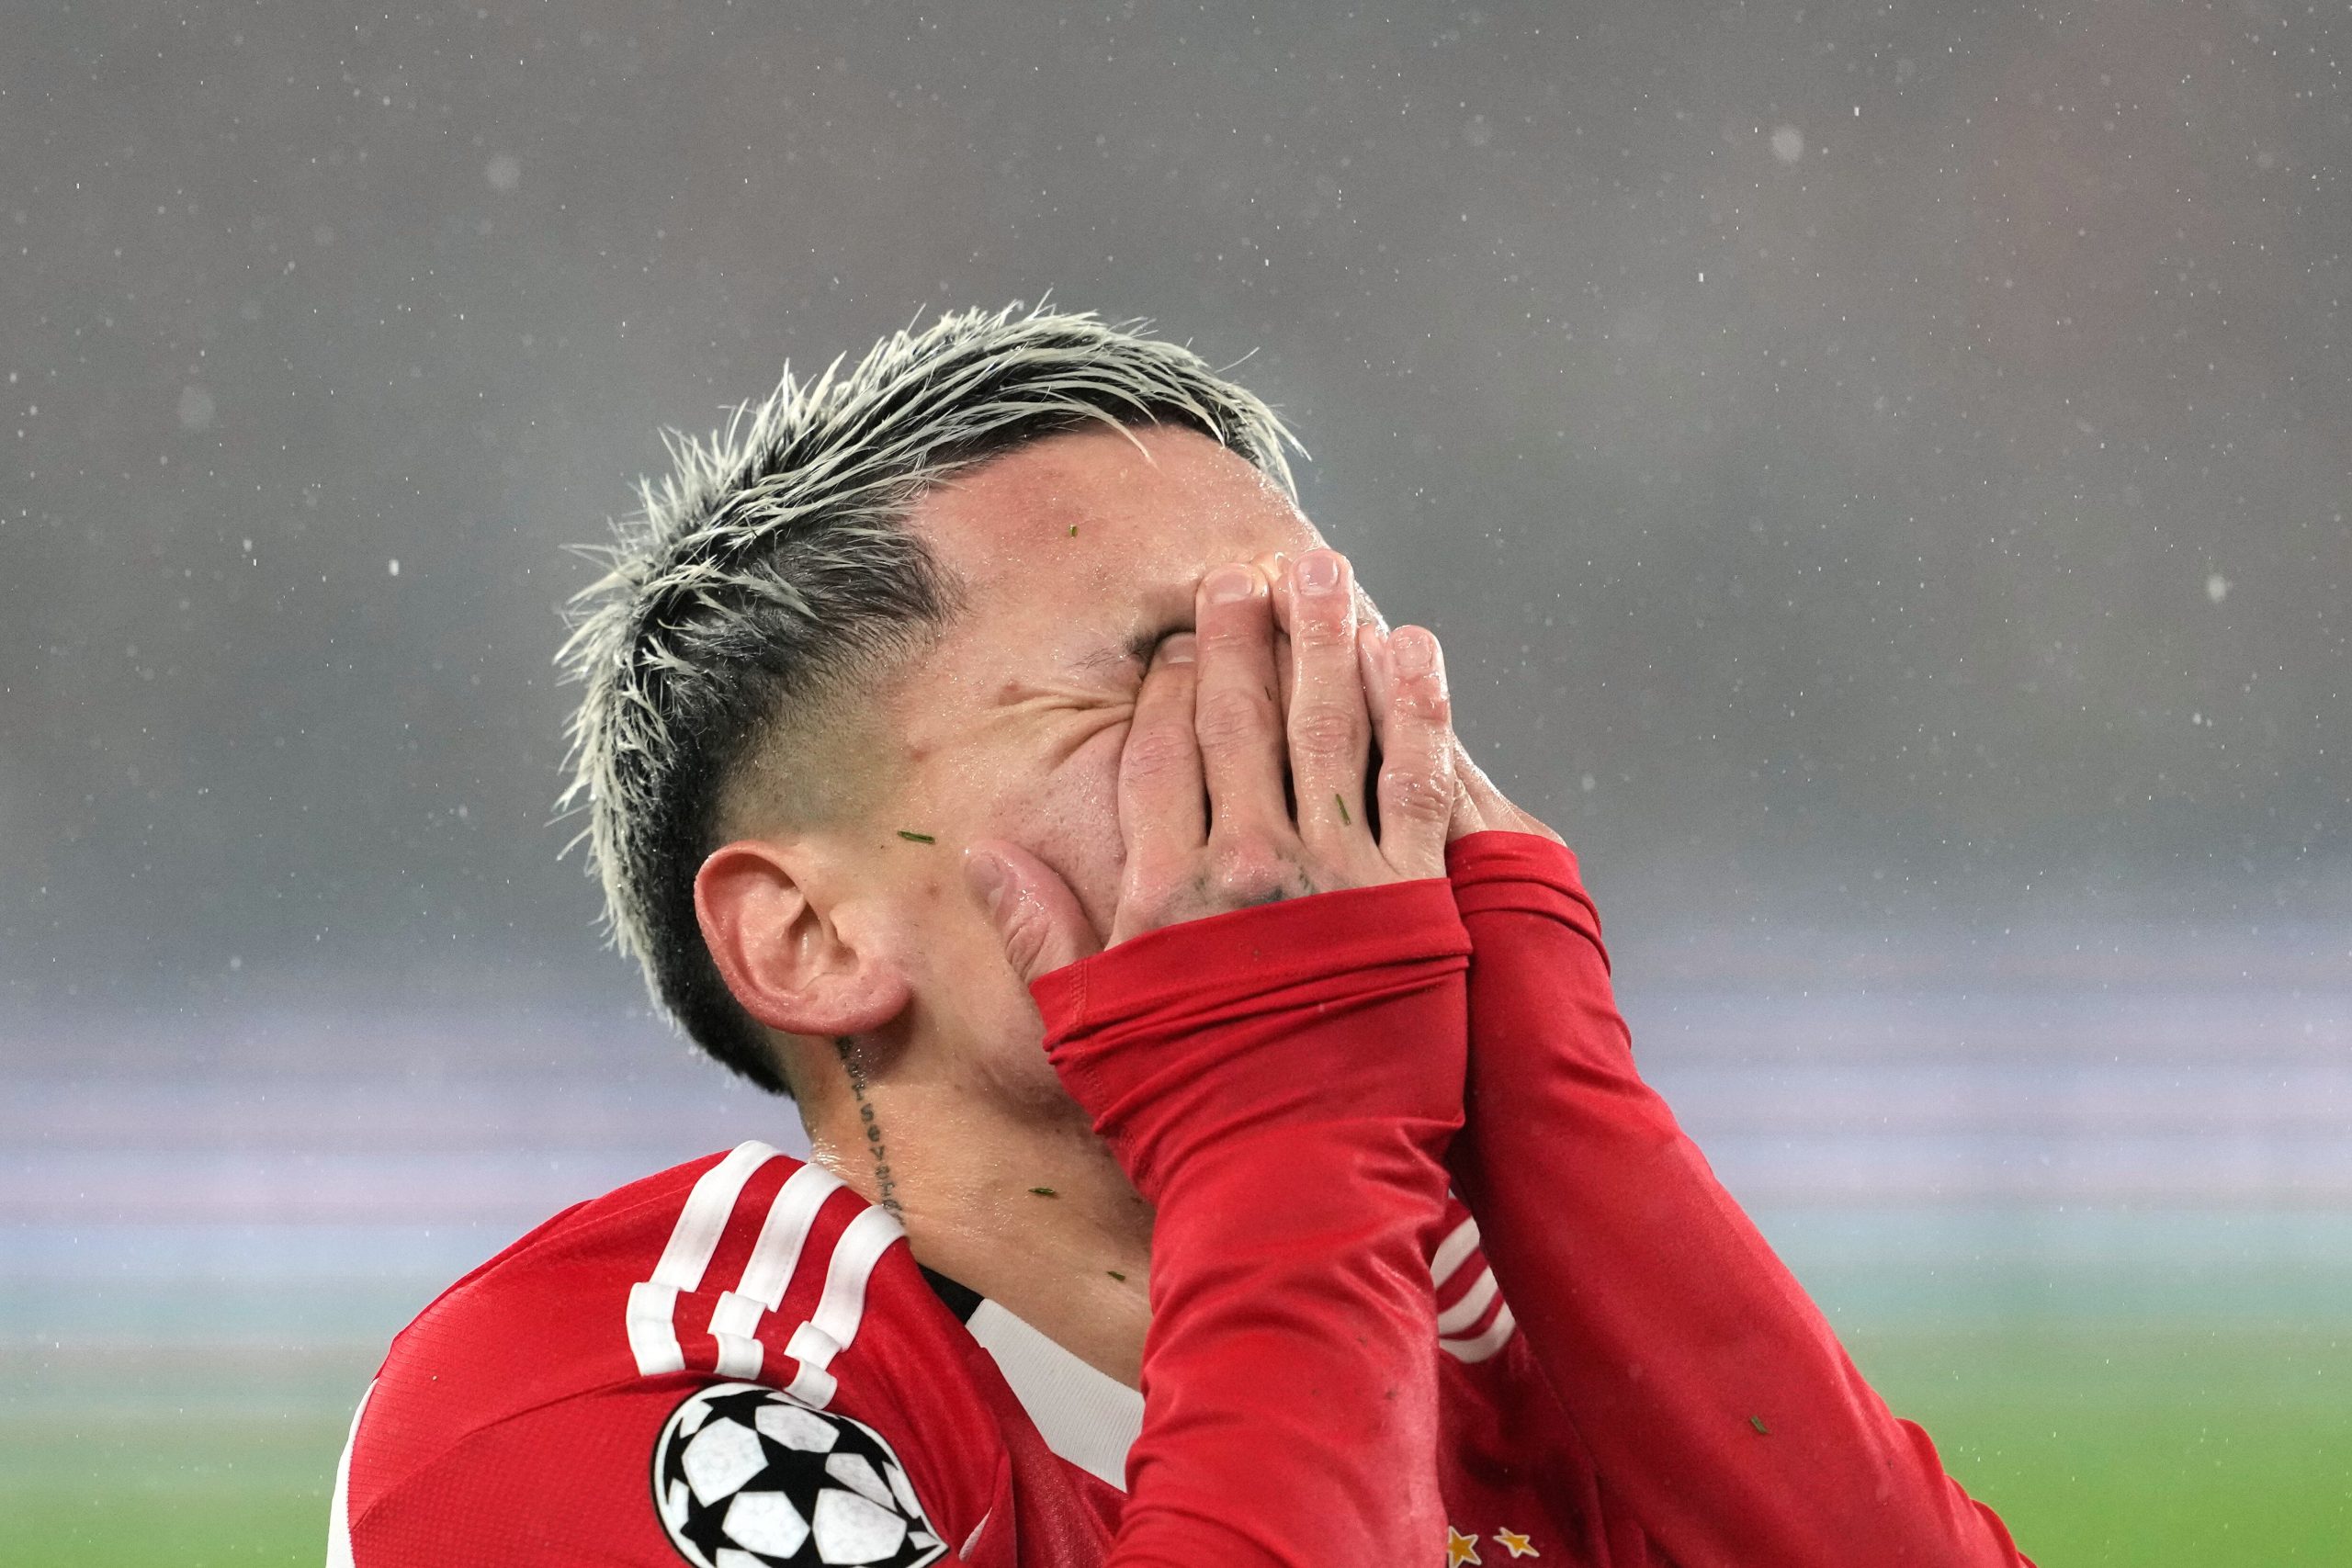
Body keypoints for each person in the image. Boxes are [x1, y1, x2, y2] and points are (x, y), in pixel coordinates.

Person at [326, 305, 2032, 1567]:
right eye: (1167, 674)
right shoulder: (621, 1392)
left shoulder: (1508, 1343)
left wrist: (1556, 1096)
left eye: (1319, 652)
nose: (1307, 741)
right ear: (810, 936)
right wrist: (1290, 1123)